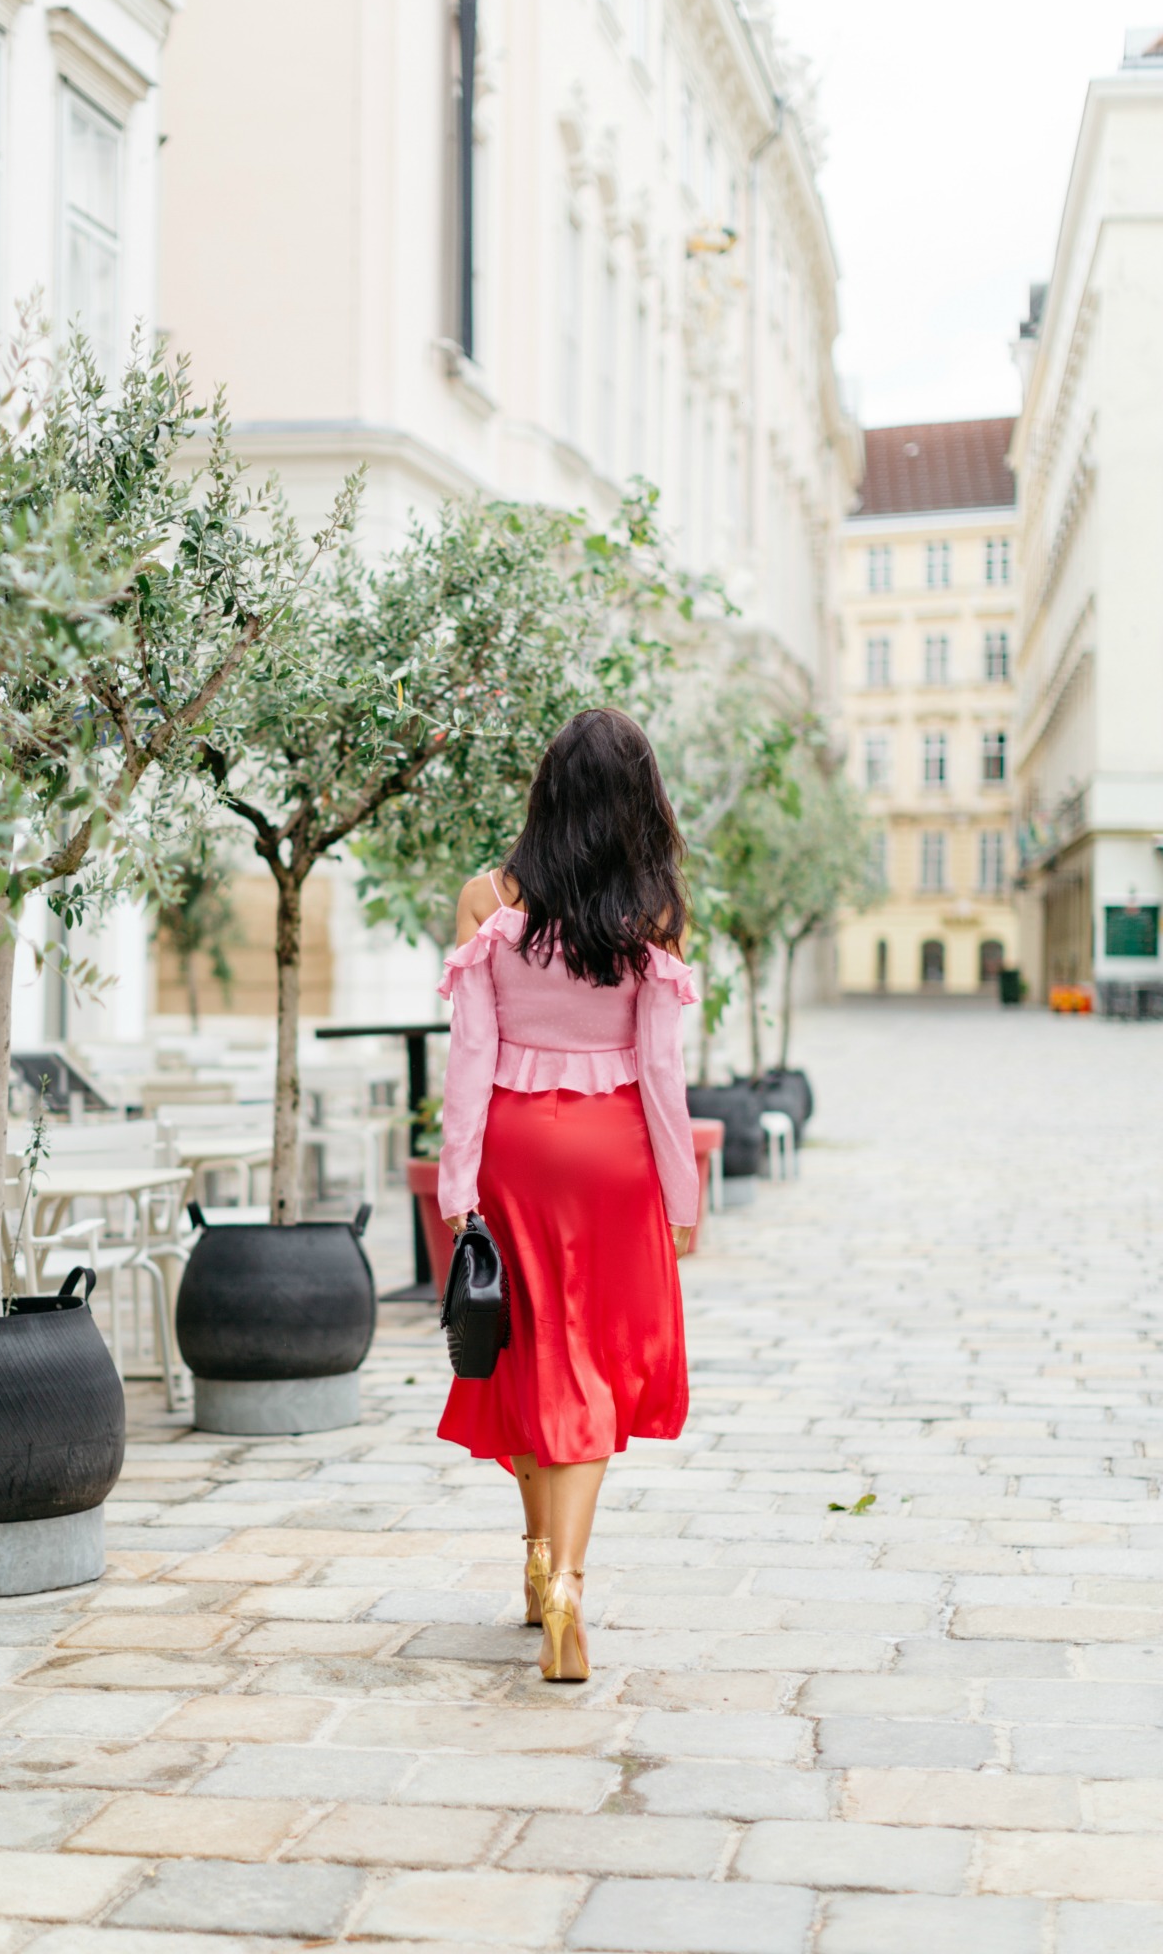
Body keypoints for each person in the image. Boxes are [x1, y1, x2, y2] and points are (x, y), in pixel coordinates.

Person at [436, 708, 698, 1681]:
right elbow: (663, 1072)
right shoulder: (655, 912)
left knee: (529, 1351)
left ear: (547, 793)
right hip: (615, 1155)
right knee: (586, 1361)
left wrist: (457, 1184)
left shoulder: (487, 899)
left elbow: (470, 1057)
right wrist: (684, 1197)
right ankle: (568, 1582)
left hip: (513, 1151)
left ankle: (541, 1560)